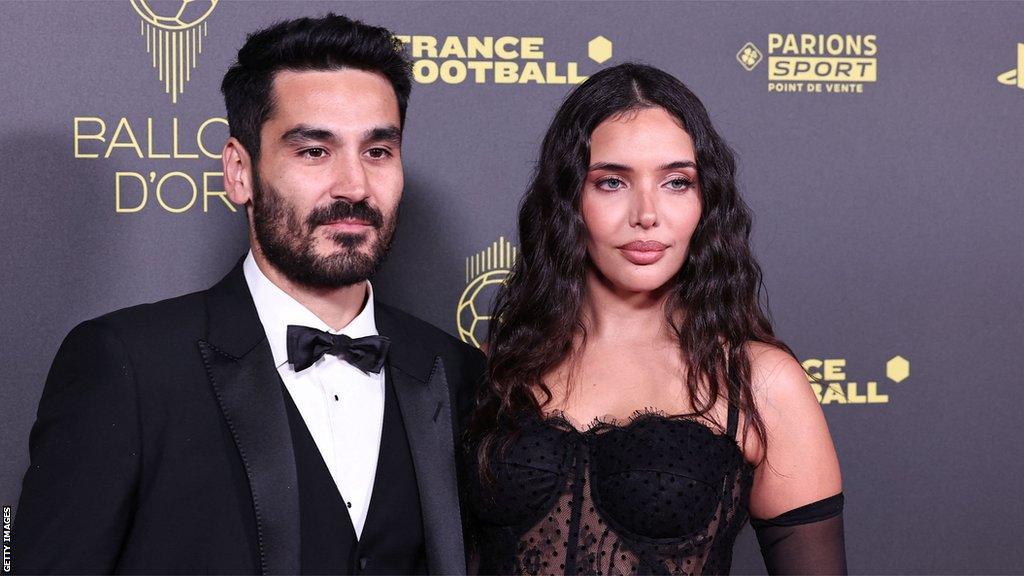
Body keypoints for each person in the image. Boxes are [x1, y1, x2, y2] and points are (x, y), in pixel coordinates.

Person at [14, 14, 484, 575]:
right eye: (314, 151)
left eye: (378, 151)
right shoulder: (129, 366)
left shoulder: (454, 373)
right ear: (239, 172)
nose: (355, 186)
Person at [465, 63, 845, 575]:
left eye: (675, 182)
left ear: (705, 202)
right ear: (568, 199)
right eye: (612, 182)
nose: (646, 213)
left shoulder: (760, 383)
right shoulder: (495, 369)